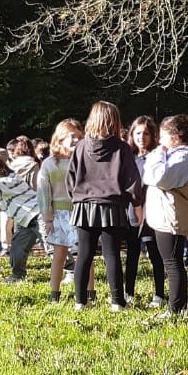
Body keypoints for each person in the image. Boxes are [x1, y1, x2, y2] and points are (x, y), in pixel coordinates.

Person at [65, 100, 144, 310]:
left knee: (84, 255)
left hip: (84, 205)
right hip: (112, 206)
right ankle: (118, 301)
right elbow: (132, 180)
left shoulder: (81, 146)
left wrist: (77, 198)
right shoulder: (122, 148)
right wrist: (137, 205)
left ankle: (80, 301)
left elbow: (70, 178)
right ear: (114, 121)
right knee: (112, 255)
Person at [143, 115, 188, 315]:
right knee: (172, 261)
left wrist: (157, 154)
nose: (160, 142)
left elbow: (158, 177)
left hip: (172, 218)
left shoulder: (183, 157)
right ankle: (178, 306)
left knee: (173, 263)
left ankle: (176, 309)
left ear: (175, 138)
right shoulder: (180, 156)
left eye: (163, 137)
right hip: (167, 216)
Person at [36, 119, 83, 303]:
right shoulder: (49, 164)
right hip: (58, 214)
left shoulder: (82, 161)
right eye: (73, 137)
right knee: (59, 255)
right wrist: (47, 217)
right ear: (60, 138)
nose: (77, 140)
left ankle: (88, 293)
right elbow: (43, 193)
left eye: (80, 137)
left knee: (83, 255)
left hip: (80, 212)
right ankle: (54, 294)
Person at [126, 116, 166, 306]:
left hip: (151, 210)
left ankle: (159, 294)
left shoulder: (157, 156)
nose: (142, 137)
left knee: (154, 252)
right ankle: (128, 292)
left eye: (146, 133)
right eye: (138, 133)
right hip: (131, 210)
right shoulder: (128, 157)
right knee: (132, 253)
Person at [0, 138, 44, 282]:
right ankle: (70, 270)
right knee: (50, 243)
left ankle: (17, 273)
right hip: (35, 206)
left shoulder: (9, 167)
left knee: (18, 242)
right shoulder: (35, 164)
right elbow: (37, 186)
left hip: (21, 209)